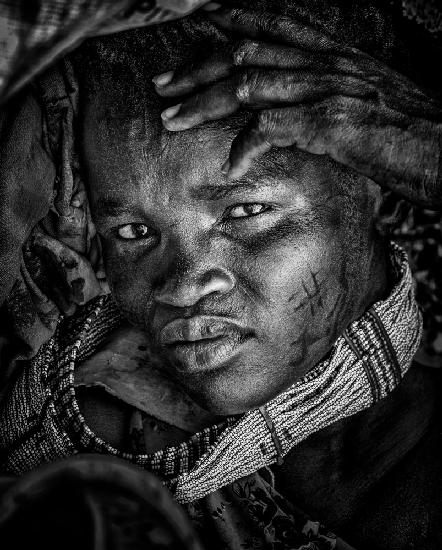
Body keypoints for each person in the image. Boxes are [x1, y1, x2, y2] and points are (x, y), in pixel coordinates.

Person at [0, 2, 441, 549]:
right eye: (135, 232)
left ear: (372, 182)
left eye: (245, 212)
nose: (182, 287)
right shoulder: (70, 436)